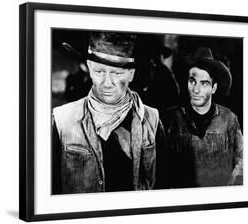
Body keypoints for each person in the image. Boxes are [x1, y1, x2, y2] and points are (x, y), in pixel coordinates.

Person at [52, 32, 168, 194]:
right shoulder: (62, 120)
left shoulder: (151, 118)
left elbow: (162, 182)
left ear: (131, 74)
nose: (107, 83)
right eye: (99, 72)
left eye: (117, 73)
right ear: (90, 69)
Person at [164, 47, 243, 188]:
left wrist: (231, 191)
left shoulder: (229, 119)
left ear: (214, 88)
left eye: (204, 83)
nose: (196, 89)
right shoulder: (171, 119)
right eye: (192, 81)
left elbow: (243, 160)